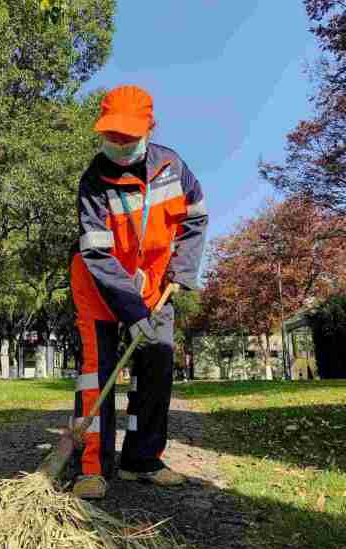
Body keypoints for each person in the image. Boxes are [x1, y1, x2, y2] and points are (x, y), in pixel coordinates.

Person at [69, 85, 208, 499]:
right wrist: (131, 311)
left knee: (158, 365)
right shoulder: (94, 180)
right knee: (100, 376)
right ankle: (92, 467)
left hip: (155, 285)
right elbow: (95, 251)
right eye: (112, 135)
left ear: (151, 128)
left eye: (128, 136)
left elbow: (195, 220)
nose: (119, 143)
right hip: (100, 285)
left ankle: (141, 460)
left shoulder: (172, 166)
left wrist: (180, 271)